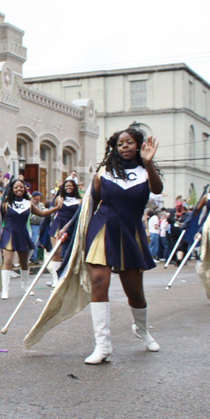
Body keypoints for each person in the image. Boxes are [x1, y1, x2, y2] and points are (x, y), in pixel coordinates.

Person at [83, 127, 162, 364]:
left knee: (135, 293)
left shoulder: (145, 171)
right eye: (120, 144)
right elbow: (91, 203)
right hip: (103, 228)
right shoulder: (104, 172)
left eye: (129, 143)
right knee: (98, 281)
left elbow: (157, 190)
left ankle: (142, 330)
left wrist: (148, 163)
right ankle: (102, 345)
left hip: (130, 232)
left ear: (138, 146)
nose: (124, 146)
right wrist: (74, 231)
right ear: (114, 148)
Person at [0, 179, 59, 299]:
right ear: (12, 189)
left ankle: (25, 286)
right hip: (9, 234)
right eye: (16, 187)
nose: (19, 189)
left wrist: (56, 208)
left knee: (24, 262)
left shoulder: (28, 203)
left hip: (23, 234)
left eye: (21, 187)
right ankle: (5, 289)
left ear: (25, 189)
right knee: (8, 261)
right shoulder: (5, 203)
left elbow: (42, 213)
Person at [46, 180, 82, 284]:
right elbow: (54, 211)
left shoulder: (79, 200)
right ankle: (55, 279)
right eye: (66, 186)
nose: (68, 188)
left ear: (74, 187)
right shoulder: (59, 198)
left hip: (71, 227)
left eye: (71, 186)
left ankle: (67, 278)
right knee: (56, 252)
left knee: (70, 253)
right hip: (57, 226)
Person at [29, 191, 44, 263]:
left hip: (40, 225)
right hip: (32, 225)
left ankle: (34, 256)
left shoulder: (40, 204)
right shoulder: (30, 203)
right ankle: (32, 257)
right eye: (39, 195)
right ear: (35, 196)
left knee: (37, 242)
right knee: (34, 241)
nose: (40, 197)